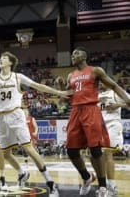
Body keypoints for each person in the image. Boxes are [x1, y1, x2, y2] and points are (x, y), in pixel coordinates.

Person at [0, 51, 70, 195]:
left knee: (29, 149)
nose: (1, 60)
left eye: (4, 58)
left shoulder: (18, 77)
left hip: (16, 115)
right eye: (0, 58)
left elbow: (39, 86)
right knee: (5, 154)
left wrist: (59, 93)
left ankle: (50, 182)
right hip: (0, 119)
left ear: (10, 63)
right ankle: (21, 172)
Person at [55, 47, 130, 197]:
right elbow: (66, 97)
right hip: (75, 111)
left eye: (76, 53)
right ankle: (87, 177)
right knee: (71, 150)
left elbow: (114, 85)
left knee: (96, 149)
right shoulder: (71, 75)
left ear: (84, 56)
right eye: (72, 54)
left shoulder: (95, 71)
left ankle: (103, 187)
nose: (73, 55)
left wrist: (128, 100)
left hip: (91, 110)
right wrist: (61, 87)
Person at [98, 83, 129, 195]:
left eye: (102, 81)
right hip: (100, 127)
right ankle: (105, 185)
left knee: (107, 154)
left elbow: (128, 102)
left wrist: (118, 105)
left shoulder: (116, 92)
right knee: (99, 157)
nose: (100, 83)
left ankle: (112, 187)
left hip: (113, 124)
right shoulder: (98, 95)